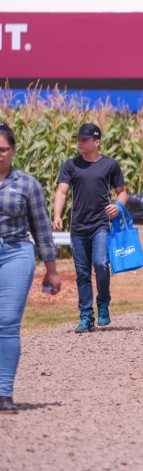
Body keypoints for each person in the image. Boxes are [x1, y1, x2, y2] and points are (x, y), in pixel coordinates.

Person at [0, 123, 62, 413]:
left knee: (8, 322)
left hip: (15, 253)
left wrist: (51, 270)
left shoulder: (27, 184)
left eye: (2, 149)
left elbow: (41, 229)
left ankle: (3, 392)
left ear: (13, 150)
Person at [52, 122, 127, 333]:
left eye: (85, 139)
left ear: (97, 142)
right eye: (78, 139)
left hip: (101, 224)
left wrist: (118, 206)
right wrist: (57, 214)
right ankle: (86, 315)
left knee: (101, 263)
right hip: (78, 227)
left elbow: (122, 192)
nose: (80, 143)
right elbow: (62, 192)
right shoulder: (71, 165)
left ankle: (103, 304)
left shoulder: (111, 165)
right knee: (82, 273)